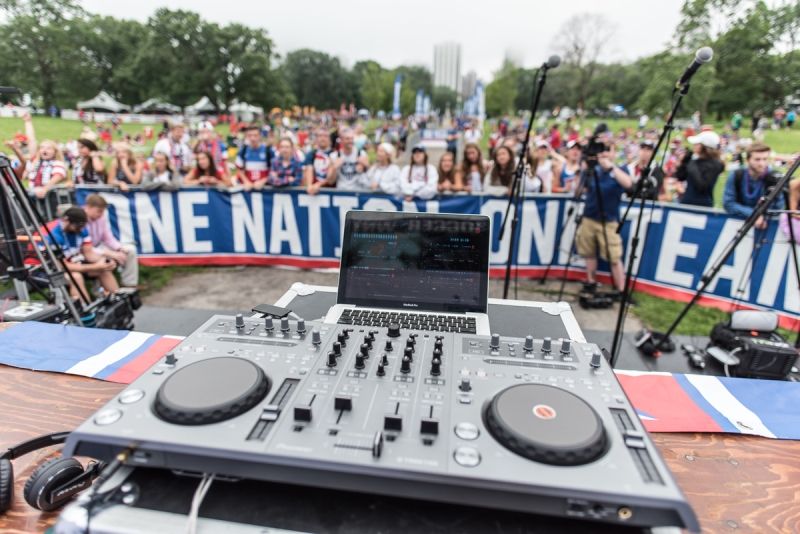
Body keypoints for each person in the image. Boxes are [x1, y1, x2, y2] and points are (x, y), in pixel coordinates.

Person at [575, 144, 633, 293]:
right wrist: (584, 169)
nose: (604, 154)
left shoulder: (620, 170)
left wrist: (611, 167)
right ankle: (591, 281)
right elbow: (578, 192)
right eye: (601, 151)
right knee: (589, 252)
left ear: (614, 153)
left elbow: (629, 184)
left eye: (608, 150)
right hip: (589, 217)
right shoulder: (592, 170)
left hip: (609, 220)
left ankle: (621, 290)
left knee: (614, 256)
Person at [48, 206, 119, 299]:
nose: (80, 229)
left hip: (75, 263)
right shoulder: (55, 237)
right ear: (66, 221)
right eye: (78, 226)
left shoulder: (81, 229)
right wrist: (94, 266)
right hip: (56, 270)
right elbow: (62, 266)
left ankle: (119, 299)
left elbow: (89, 254)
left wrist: (105, 261)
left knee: (104, 269)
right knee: (76, 277)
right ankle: (86, 310)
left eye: (82, 226)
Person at [722, 142, 782, 230]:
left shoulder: (775, 178)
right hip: (736, 225)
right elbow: (728, 203)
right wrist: (753, 214)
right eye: (757, 159)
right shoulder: (736, 175)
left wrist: (760, 215)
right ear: (747, 160)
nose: (762, 163)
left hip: (765, 227)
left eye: (765, 159)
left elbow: (778, 207)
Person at [83, 194, 138, 287]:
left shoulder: (101, 218)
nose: (101, 214)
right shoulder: (81, 219)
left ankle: (129, 285)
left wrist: (119, 248)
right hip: (87, 251)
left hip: (98, 247)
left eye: (103, 211)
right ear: (88, 207)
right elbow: (85, 248)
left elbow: (108, 238)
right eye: (99, 211)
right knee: (103, 260)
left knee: (130, 250)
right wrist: (108, 253)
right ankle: (101, 290)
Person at [20, 113, 67, 199]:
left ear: (55, 152)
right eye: (42, 148)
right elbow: (31, 141)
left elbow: (57, 176)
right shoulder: (35, 161)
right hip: (33, 194)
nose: (44, 150)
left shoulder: (58, 163)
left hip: (49, 196)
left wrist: (45, 189)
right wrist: (28, 122)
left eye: (48, 148)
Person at [674, 131, 724, 207]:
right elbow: (680, 176)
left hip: (702, 206)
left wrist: (691, 163)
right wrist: (684, 162)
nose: (694, 145)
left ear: (705, 147)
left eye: (697, 144)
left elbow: (702, 186)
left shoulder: (716, 165)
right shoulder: (694, 162)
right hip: (686, 203)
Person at [313, 128, 369, 192]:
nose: (350, 141)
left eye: (352, 138)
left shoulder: (361, 154)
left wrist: (366, 166)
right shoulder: (334, 156)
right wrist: (334, 168)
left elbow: (369, 175)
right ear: (341, 140)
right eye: (347, 139)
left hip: (358, 192)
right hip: (341, 193)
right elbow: (330, 181)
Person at [234, 125, 271, 190]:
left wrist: (263, 181)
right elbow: (239, 169)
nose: (252, 138)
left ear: (260, 136)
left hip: (266, 189)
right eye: (250, 135)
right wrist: (246, 181)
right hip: (248, 189)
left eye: (255, 135)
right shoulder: (243, 151)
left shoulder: (268, 150)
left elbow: (275, 170)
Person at [304, 128, 334, 192]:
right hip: (313, 190)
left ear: (329, 139)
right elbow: (309, 169)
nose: (323, 138)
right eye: (320, 136)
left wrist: (318, 185)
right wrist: (309, 186)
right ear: (316, 139)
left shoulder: (334, 154)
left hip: (330, 190)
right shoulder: (311, 154)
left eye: (325, 136)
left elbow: (332, 175)